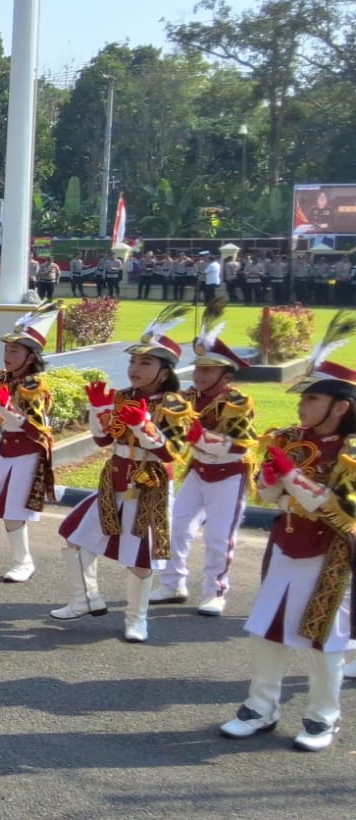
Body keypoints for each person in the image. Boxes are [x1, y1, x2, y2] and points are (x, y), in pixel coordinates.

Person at [218, 324, 356, 752]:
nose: (301, 406)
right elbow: (268, 496)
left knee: (324, 639)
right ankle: (260, 707)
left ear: (341, 406)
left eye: (311, 398)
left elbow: (343, 511)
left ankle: (322, 717)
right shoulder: (289, 439)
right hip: (287, 547)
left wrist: (291, 477)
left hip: (331, 554)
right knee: (266, 630)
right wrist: (274, 479)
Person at [53, 304, 192, 642]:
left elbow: (171, 452)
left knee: (140, 558)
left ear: (164, 371)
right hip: (113, 477)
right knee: (74, 539)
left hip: (149, 485)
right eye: (133, 361)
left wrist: (144, 426)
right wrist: (97, 410)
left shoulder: (175, 403)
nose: (135, 368)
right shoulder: (122, 396)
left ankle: (136, 619)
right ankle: (84, 598)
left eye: (146, 363)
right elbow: (104, 439)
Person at [152, 306, 256, 615]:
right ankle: (172, 583)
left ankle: (215, 591)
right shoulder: (187, 397)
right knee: (177, 526)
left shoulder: (238, 402)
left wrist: (199, 436)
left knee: (218, 537)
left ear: (226, 375)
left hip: (230, 475)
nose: (198, 375)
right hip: (198, 471)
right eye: (197, 369)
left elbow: (239, 446)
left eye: (207, 371)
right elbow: (168, 428)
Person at [0, 303, 60, 583]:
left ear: (31, 356)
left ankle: (23, 562)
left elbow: (30, 425)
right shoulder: (4, 378)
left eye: (15, 351)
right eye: (7, 350)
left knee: (14, 511)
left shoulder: (34, 385)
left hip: (28, 452)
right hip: (6, 449)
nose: (7, 355)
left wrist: (6, 408)